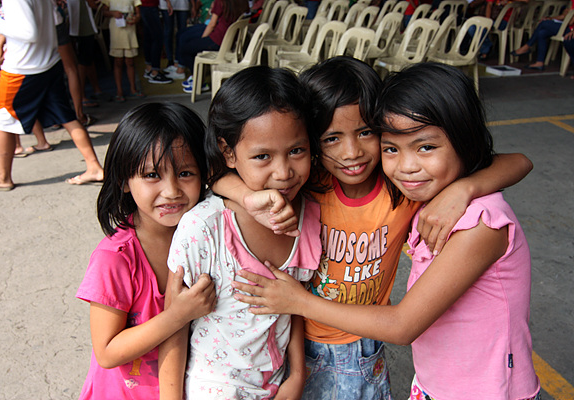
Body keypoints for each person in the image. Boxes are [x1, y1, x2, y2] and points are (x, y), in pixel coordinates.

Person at [214, 56, 533, 400]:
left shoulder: (401, 188)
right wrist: (247, 197)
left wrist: (465, 187)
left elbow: (519, 161)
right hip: (303, 344)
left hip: (375, 351)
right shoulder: (309, 181)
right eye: (332, 138)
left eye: (366, 133)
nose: (351, 153)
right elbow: (217, 178)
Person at [158, 66, 321, 399]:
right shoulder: (204, 227)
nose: (284, 172)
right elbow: (174, 326)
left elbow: (295, 303)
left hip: (276, 383)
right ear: (228, 152)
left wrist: (297, 374)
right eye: (262, 156)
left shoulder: (310, 213)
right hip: (213, 387)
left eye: (296, 151)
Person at [77, 102, 217, 399]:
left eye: (185, 173)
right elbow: (107, 351)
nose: (171, 191)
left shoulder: (205, 238)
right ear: (123, 181)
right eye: (152, 175)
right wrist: (176, 315)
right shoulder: (115, 259)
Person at [0, 0, 104, 191]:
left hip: (23, 68)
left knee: (1, 118)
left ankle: (2, 176)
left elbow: (29, 33)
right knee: (66, 116)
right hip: (48, 62)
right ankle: (94, 167)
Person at [176, 0, 248, 93]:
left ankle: (199, 81)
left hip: (217, 40)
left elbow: (212, 24)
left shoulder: (221, 2)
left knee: (184, 49)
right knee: (188, 42)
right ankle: (197, 79)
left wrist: (202, 40)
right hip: (229, 40)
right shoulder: (242, 2)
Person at [512, 0, 573, 70]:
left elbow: (570, 22)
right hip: (566, 26)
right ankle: (539, 62)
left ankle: (527, 46)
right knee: (542, 33)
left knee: (543, 24)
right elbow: (563, 16)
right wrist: (550, 18)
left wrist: (568, 14)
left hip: (570, 30)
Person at [140, 0, 173, 84]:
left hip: (147, 5)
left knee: (149, 37)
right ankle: (155, 71)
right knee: (157, 37)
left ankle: (149, 68)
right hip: (149, 6)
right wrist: (168, 2)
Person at [159, 0, 193, 80]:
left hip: (183, 3)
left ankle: (178, 63)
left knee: (182, 33)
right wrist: (168, 2)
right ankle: (170, 61)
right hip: (166, 4)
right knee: (168, 32)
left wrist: (193, 5)